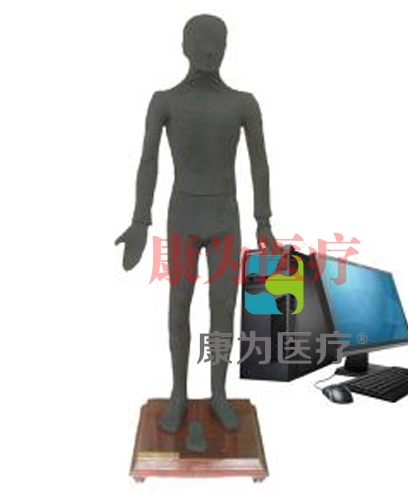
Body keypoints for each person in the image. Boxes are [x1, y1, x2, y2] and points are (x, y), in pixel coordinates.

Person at [115, 14, 278, 432]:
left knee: (224, 308)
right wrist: (140, 220)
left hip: (225, 218)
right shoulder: (164, 101)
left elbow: (259, 164)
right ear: (184, 46)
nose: (209, 49)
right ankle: (178, 393)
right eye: (201, 41)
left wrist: (263, 221)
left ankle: (219, 392)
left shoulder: (243, 103)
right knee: (179, 304)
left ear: (227, 47)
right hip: (183, 217)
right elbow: (148, 162)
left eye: (217, 41)